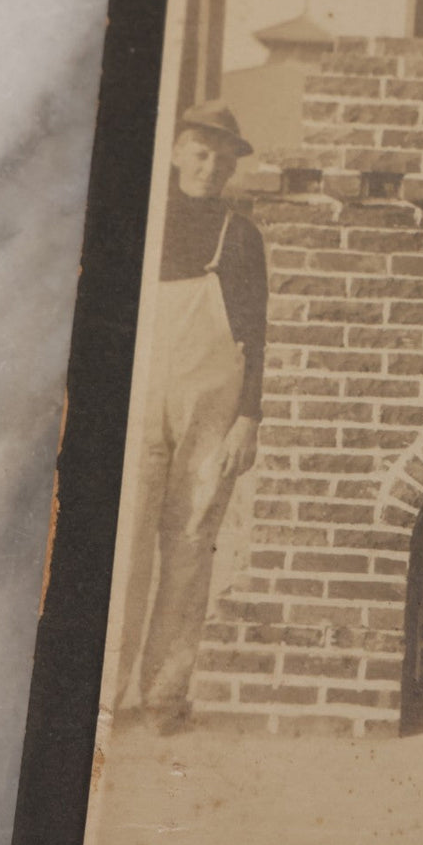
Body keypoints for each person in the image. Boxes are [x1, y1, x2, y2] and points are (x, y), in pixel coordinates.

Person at [115, 101, 268, 735]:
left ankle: (163, 698)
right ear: (177, 152)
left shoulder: (240, 234)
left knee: (188, 545)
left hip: (212, 406)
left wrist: (247, 420)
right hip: (139, 395)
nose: (209, 167)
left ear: (233, 165)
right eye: (199, 153)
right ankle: (103, 695)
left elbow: (256, 334)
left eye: (222, 157)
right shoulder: (141, 219)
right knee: (124, 544)